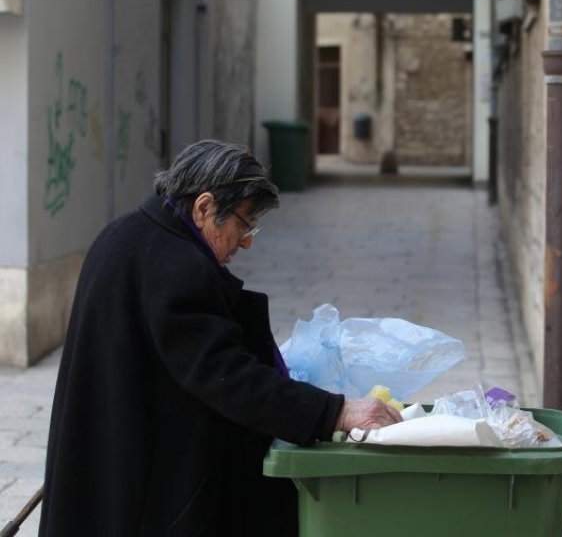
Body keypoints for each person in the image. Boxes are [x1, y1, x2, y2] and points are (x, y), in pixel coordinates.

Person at [39, 140, 402, 537]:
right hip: (142, 484)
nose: (247, 241)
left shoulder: (124, 235)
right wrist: (334, 412)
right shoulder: (178, 266)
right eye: (243, 225)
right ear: (204, 207)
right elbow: (226, 376)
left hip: (105, 459)